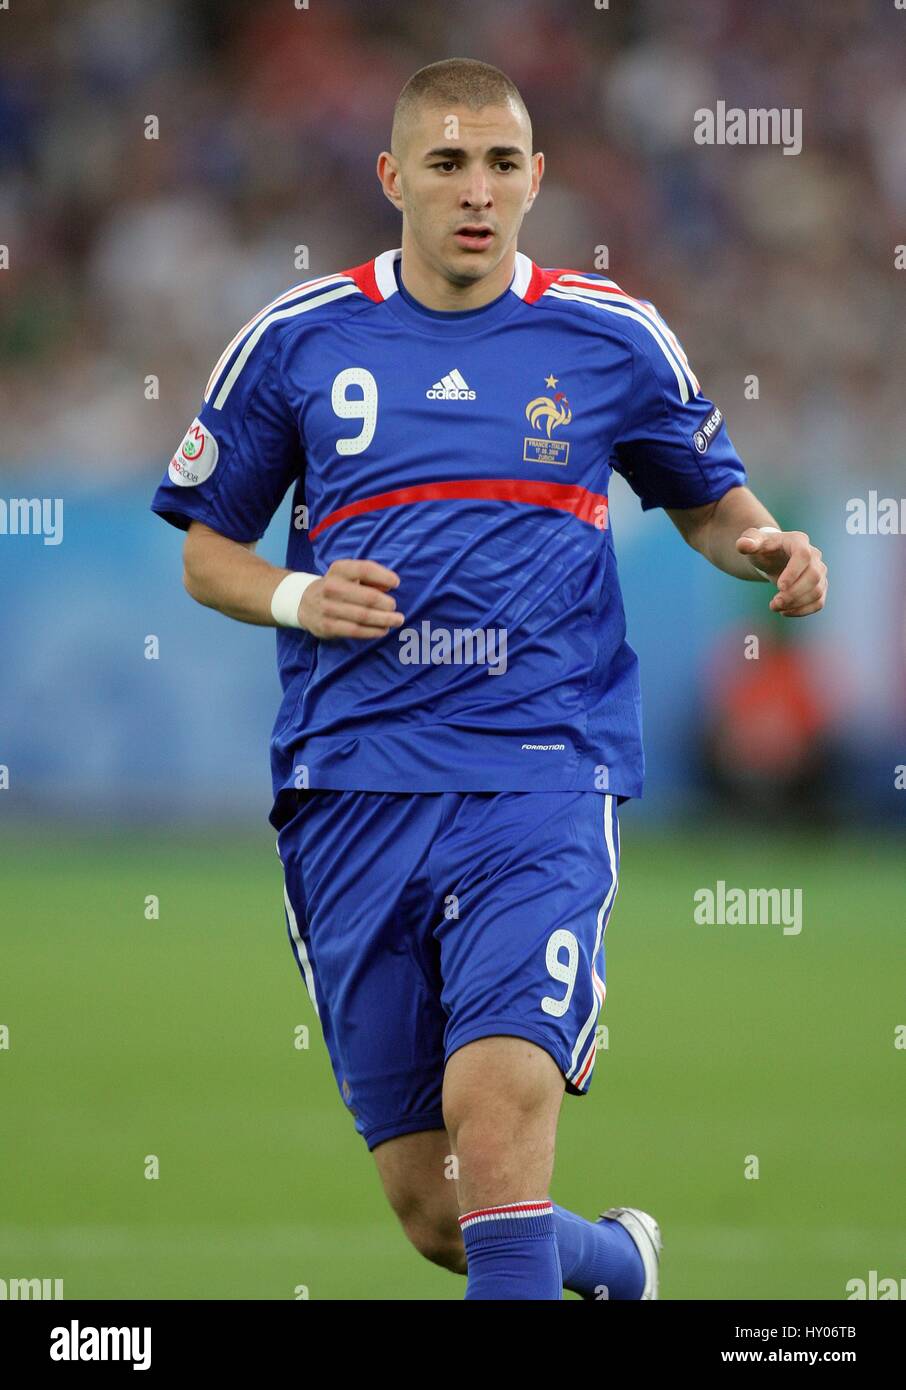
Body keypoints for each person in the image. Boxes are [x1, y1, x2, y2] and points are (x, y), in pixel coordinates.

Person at [150, 58, 828, 1300]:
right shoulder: (297, 338)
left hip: (540, 772)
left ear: (537, 180)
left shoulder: (610, 333)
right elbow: (206, 552)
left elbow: (711, 504)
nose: (477, 190)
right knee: (440, 1212)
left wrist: (766, 545)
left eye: (502, 164)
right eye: (449, 163)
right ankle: (619, 1263)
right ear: (391, 174)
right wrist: (301, 596)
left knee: (498, 1121)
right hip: (350, 783)